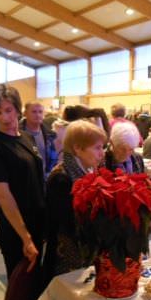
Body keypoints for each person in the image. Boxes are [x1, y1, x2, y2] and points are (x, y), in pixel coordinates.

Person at [0, 84, 47, 285]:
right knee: (21, 290)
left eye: (8, 110)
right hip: (17, 229)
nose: (4, 117)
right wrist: (25, 237)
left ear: (18, 109)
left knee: (37, 286)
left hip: (37, 222)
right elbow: (3, 195)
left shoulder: (27, 137)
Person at [44, 120, 107, 285]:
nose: (102, 153)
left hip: (84, 249)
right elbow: (67, 223)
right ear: (78, 148)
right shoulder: (62, 177)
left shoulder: (88, 170)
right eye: (97, 148)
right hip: (67, 254)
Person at [20, 100, 58, 177]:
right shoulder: (17, 133)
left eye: (40, 112)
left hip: (44, 177)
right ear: (25, 114)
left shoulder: (49, 134)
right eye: (34, 112)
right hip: (25, 177)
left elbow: (52, 158)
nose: (37, 115)